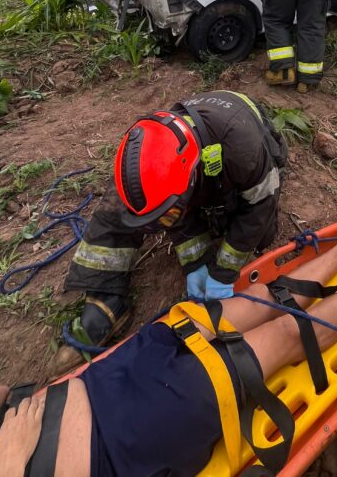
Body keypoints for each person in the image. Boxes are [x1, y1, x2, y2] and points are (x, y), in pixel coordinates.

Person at [0, 204, 337, 477]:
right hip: (125, 441)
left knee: (257, 301)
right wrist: (7, 466)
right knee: (283, 335)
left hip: (111, 379)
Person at [57, 90, 287, 371]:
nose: (161, 228)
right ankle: (104, 298)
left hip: (250, 125)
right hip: (196, 143)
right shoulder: (148, 150)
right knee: (126, 205)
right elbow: (173, 210)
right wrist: (196, 262)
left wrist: (223, 273)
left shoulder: (244, 151)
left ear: (194, 176)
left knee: (261, 231)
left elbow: (261, 206)